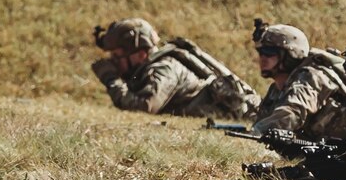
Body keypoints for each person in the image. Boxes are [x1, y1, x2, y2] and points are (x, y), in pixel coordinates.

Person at [90, 18, 258, 118]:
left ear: (141, 54)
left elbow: (144, 108)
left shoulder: (164, 68)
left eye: (117, 56)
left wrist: (111, 79)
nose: (114, 62)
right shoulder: (151, 69)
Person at [251, 22, 346, 142]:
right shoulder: (276, 88)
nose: (263, 58)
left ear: (290, 55)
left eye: (269, 52)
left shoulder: (311, 77)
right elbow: (262, 121)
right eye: (261, 52)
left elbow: (293, 112)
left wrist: (256, 134)